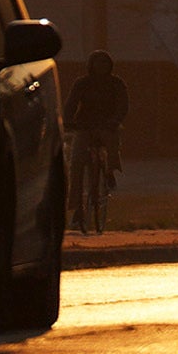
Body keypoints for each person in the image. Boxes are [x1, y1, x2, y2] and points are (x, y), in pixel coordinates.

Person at [66, 51, 131, 232]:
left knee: (111, 143)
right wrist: (68, 120)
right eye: (97, 63)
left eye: (104, 63)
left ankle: (110, 171)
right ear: (91, 65)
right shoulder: (82, 83)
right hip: (85, 125)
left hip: (107, 124)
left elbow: (122, 105)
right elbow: (71, 103)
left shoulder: (116, 84)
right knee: (76, 162)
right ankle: (77, 208)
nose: (101, 67)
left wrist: (115, 120)